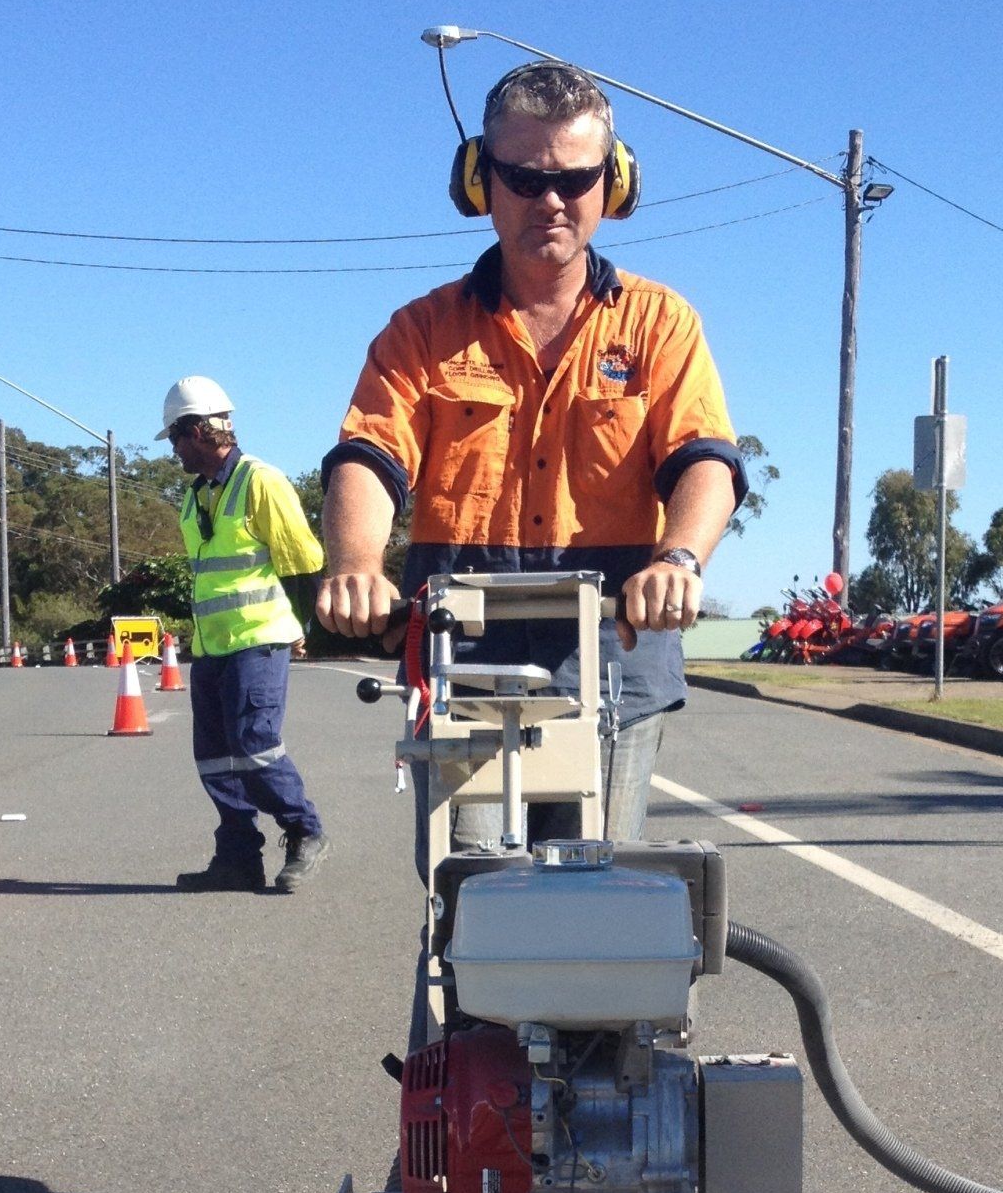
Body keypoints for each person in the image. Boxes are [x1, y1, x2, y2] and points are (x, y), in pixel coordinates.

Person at [314, 59, 745, 851]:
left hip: (614, 659)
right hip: (465, 660)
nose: (552, 201)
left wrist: (679, 558)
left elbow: (702, 456)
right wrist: (353, 562)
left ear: (613, 185)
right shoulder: (422, 331)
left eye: (577, 180)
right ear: (480, 180)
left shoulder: (660, 325)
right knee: (469, 893)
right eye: (523, 177)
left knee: (596, 899)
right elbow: (370, 454)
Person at [160, 376, 329, 893]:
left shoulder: (261, 481)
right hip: (212, 646)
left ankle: (305, 831)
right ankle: (237, 856)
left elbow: (304, 561)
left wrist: (308, 631)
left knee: (255, 744)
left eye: (173, 438)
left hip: (260, 638)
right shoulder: (194, 497)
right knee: (214, 754)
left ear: (196, 432)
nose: (173, 451)